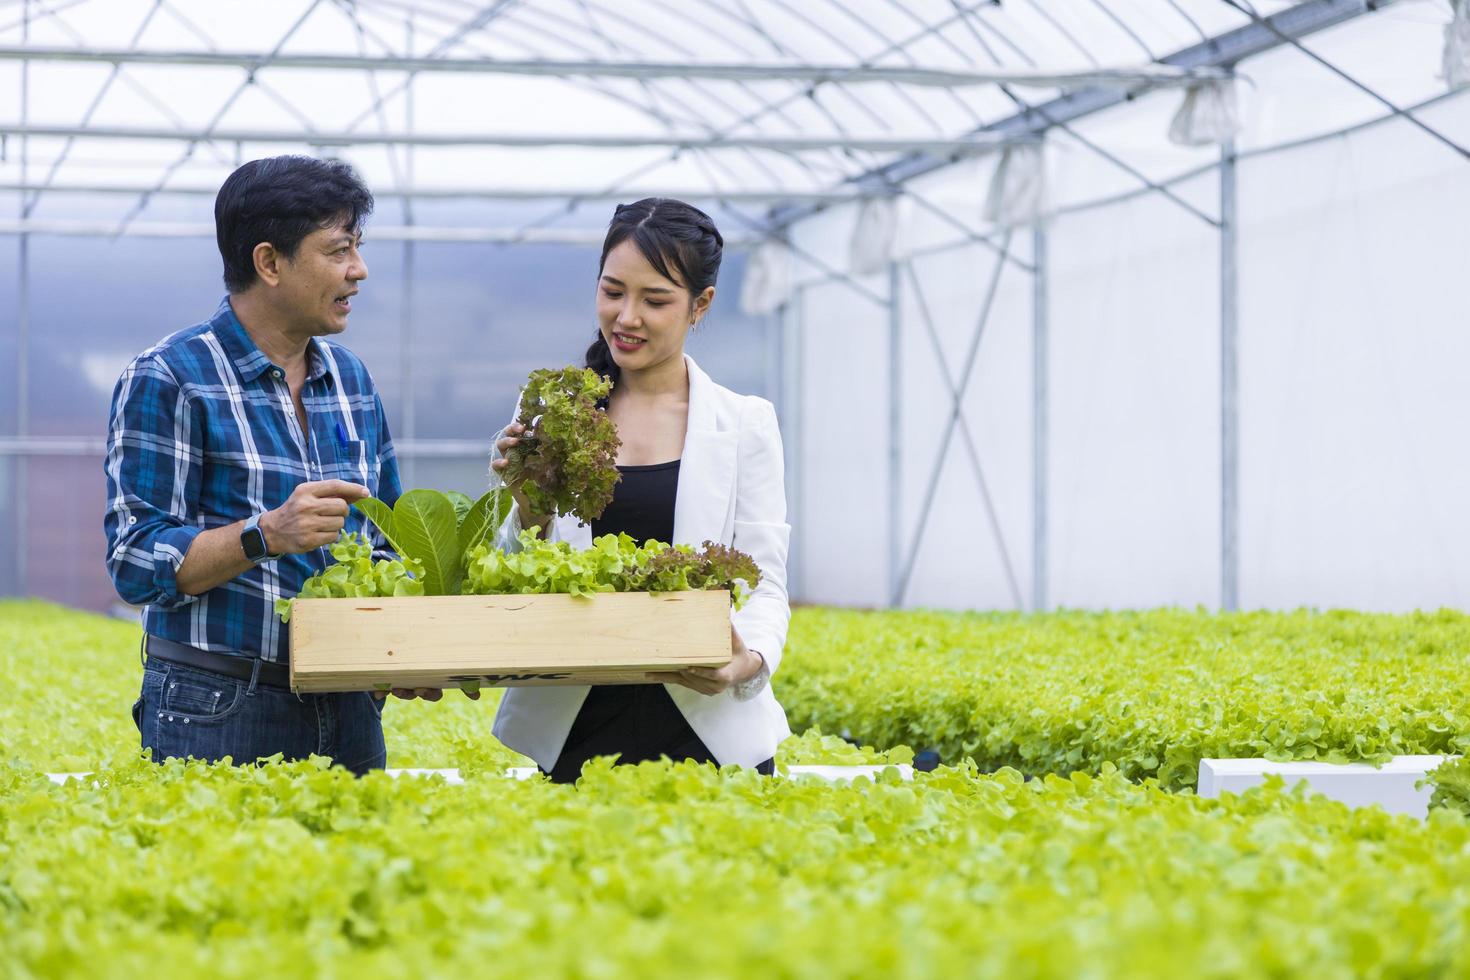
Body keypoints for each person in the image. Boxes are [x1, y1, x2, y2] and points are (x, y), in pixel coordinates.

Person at [104, 155, 401, 775]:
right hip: (219, 704)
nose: (359, 270)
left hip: (348, 704)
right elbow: (135, 561)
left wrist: (408, 654)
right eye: (338, 250)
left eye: (358, 246)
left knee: (355, 873)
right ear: (269, 262)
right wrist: (263, 535)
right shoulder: (171, 378)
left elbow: (390, 543)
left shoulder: (350, 380)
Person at [491, 198, 793, 783]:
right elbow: (512, 571)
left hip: (711, 728)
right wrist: (526, 506)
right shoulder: (554, 414)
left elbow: (765, 582)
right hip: (578, 726)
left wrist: (745, 663)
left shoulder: (744, 423)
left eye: (655, 300)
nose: (626, 317)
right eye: (612, 292)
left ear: (700, 305)